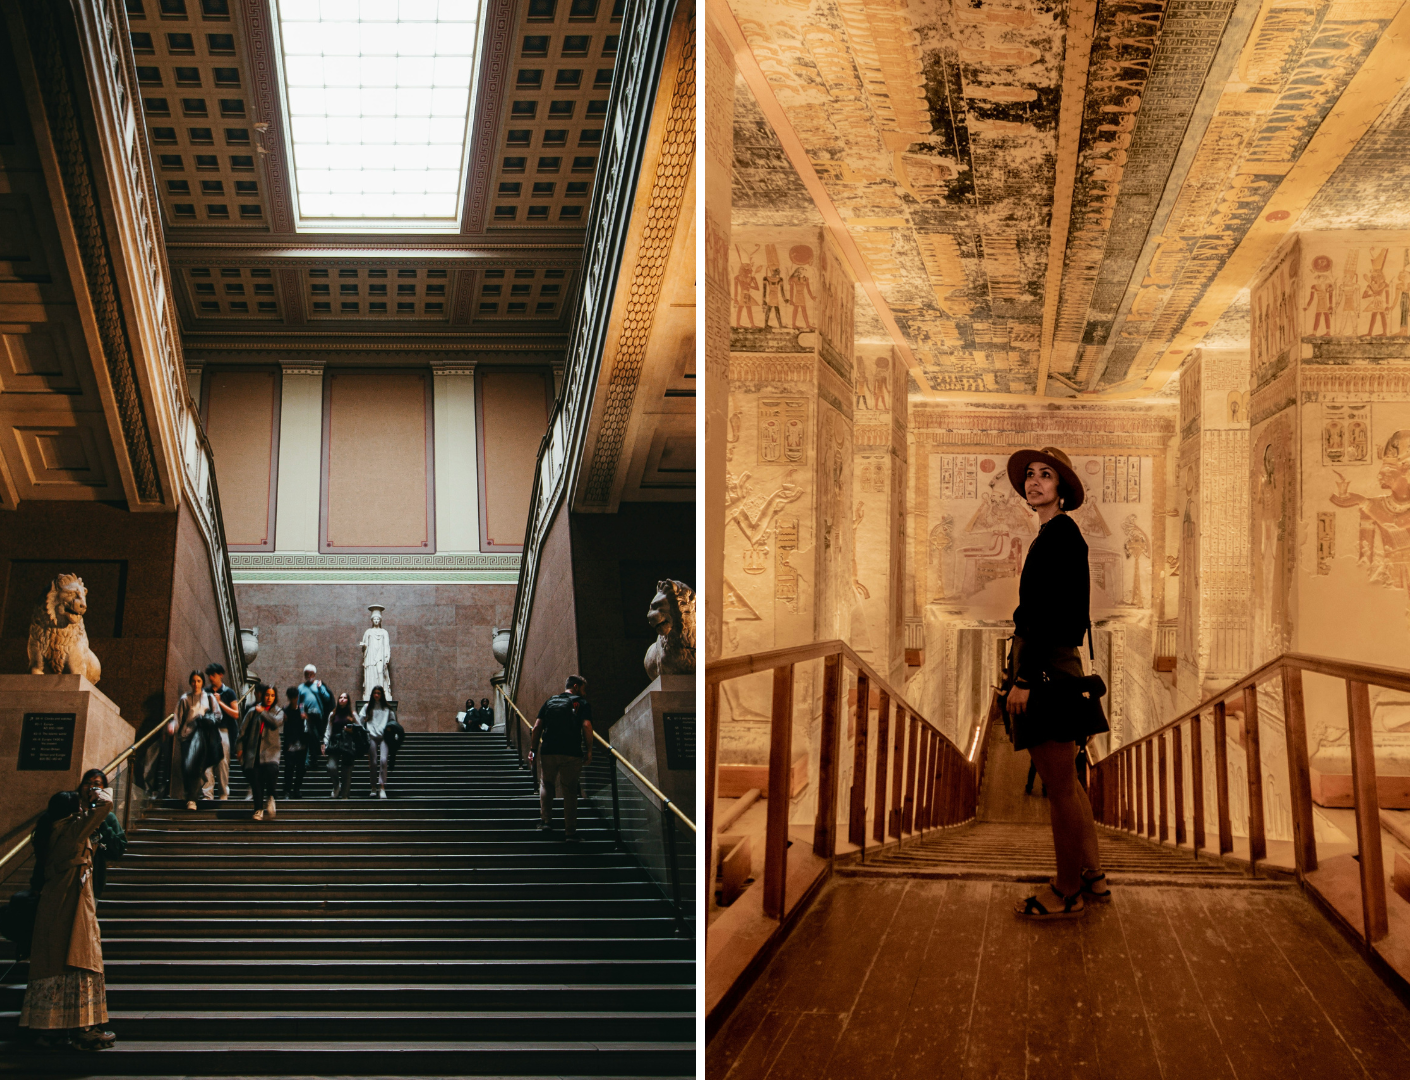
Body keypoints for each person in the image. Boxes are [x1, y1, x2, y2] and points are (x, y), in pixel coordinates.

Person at [1002, 447, 1111, 919]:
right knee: (1071, 786)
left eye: (1046, 476)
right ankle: (1093, 876)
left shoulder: (1059, 536)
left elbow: (1048, 616)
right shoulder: (1055, 535)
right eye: (1030, 475)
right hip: (1056, 667)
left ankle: (1066, 889)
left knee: (1060, 789)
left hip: (1045, 671)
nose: (1034, 482)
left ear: (1061, 490)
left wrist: (1023, 678)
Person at [20, 789, 116, 1050]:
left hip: (55, 903)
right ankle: (85, 1030)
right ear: (73, 810)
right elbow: (106, 804)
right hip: (71, 905)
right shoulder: (72, 828)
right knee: (79, 960)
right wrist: (96, 792)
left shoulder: (50, 830)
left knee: (54, 966)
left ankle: (49, 1030)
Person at [529, 675, 593, 841]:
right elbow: (586, 725)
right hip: (571, 752)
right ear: (576, 686)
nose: (584, 693)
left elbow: (537, 727)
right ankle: (570, 832)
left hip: (549, 750)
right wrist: (589, 749)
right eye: (584, 689)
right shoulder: (582, 703)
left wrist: (533, 750)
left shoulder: (550, 701)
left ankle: (546, 821)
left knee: (546, 783)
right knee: (570, 790)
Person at [171, 670, 222, 811]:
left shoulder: (209, 698)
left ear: (202, 683)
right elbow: (177, 718)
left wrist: (207, 720)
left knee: (196, 767)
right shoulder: (184, 699)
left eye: (199, 681)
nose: (196, 684)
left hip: (203, 737)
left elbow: (218, 715)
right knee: (187, 767)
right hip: (187, 737)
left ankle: (192, 799)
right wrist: (172, 728)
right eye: (193, 681)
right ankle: (191, 794)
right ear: (190, 682)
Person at [76, 770, 126, 900]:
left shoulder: (108, 818)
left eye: (97, 784)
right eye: (87, 783)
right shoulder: (72, 812)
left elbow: (118, 849)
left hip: (93, 879)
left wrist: (100, 821)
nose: (92, 788)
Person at [239, 684, 283, 821]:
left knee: (271, 771)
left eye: (272, 695)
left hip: (271, 752)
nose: (269, 698)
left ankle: (271, 796)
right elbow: (242, 731)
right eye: (267, 695)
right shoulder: (252, 711)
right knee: (256, 781)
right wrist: (239, 748)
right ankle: (258, 809)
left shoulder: (278, 711)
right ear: (263, 695)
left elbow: (275, 723)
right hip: (254, 752)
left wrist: (262, 712)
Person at [322, 692, 364, 799]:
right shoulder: (333, 714)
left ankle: (345, 796)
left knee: (347, 771)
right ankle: (336, 786)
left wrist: (351, 730)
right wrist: (325, 743)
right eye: (340, 697)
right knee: (331, 766)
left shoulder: (353, 715)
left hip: (348, 743)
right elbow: (328, 729)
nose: (342, 699)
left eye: (345, 698)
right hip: (334, 743)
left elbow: (360, 729)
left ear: (348, 701)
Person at [359, 685, 394, 799]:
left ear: (382, 695)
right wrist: (363, 731)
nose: (377, 695)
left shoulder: (387, 708)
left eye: (379, 693)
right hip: (371, 736)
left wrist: (392, 731)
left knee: (383, 761)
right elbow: (359, 720)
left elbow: (393, 722)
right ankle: (373, 786)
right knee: (373, 763)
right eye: (375, 693)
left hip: (384, 737)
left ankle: (382, 787)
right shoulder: (367, 706)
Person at [281, 687, 311, 798]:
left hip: (302, 743)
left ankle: (297, 788)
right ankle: (287, 790)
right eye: (292, 698)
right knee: (289, 767)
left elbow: (310, 724)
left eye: (295, 697)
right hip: (290, 743)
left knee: (301, 768)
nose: (294, 700)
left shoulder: (303, 709)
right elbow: (286, 729)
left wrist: (306, 718)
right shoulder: (285, 710)